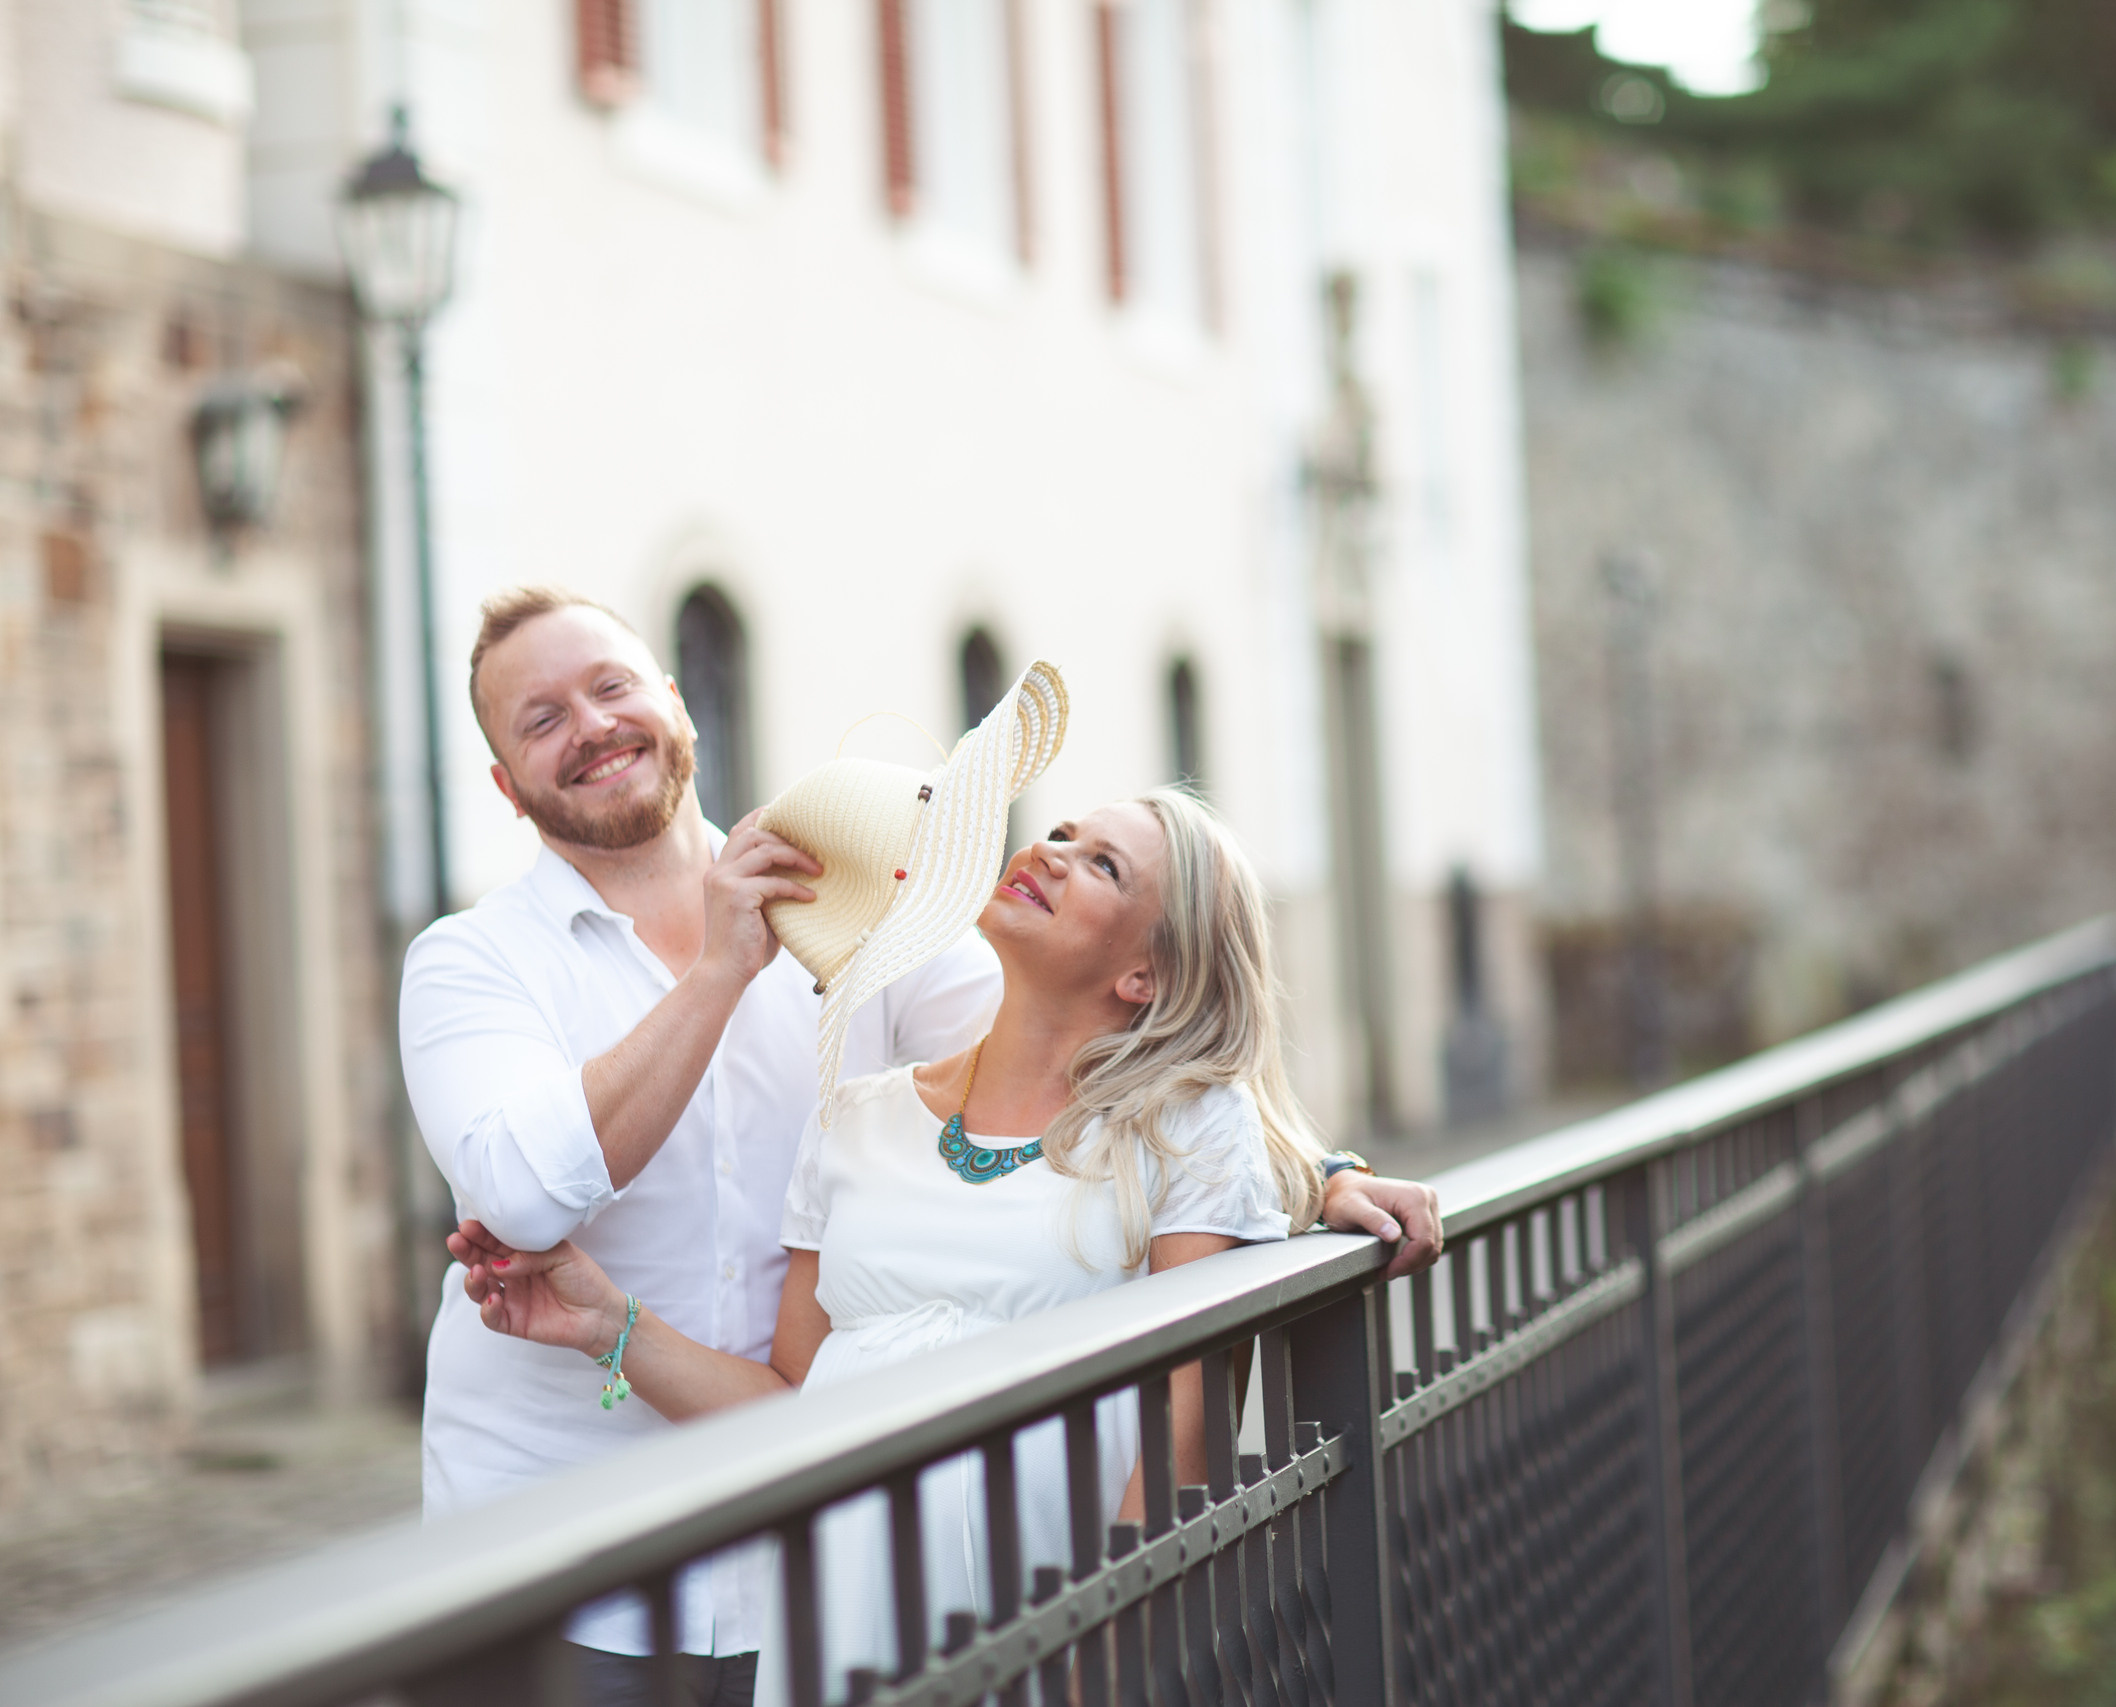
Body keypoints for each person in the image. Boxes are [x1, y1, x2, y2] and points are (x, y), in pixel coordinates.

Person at [402, 586, 1441, 1706]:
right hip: (570, 1573)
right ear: (507, 788)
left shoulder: (848, 906)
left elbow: (1074, 1058)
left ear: (674, 701)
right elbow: (518, 1195)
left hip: (810, 1559)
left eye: (610, 687)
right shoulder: (471, 964)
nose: (592, 725)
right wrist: (721, 970)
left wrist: (1307, 1172)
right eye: (541, 718)